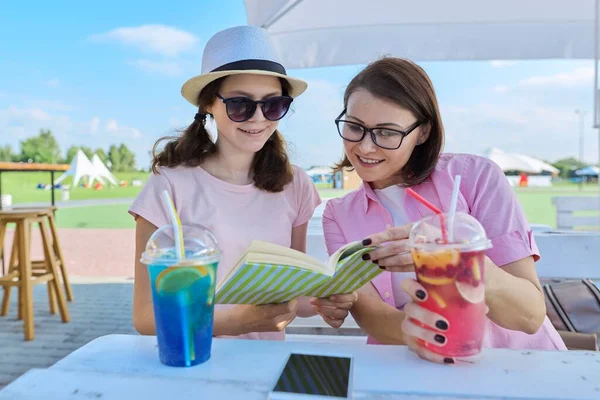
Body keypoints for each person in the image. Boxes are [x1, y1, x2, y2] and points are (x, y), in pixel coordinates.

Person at [318, 57, 567, 363]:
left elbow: (529, 316)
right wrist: (417, 333)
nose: (366, 147)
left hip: (518, 367)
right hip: (415, 374)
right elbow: (370, 313)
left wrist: (458, 260)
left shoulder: (477, 177)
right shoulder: (338, 213)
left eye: (387, 133)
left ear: (422, 132)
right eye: (355, 127)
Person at [129, 25, 355, 341]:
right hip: (193, 369)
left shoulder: (296, 185)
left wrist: (321, 301)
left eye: (273, 104)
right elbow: (146, 317)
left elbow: (296, 298)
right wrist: (240, 321)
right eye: (240, 105)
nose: (259, 118)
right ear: (208, 104)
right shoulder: (167, 186)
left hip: (266, 369)